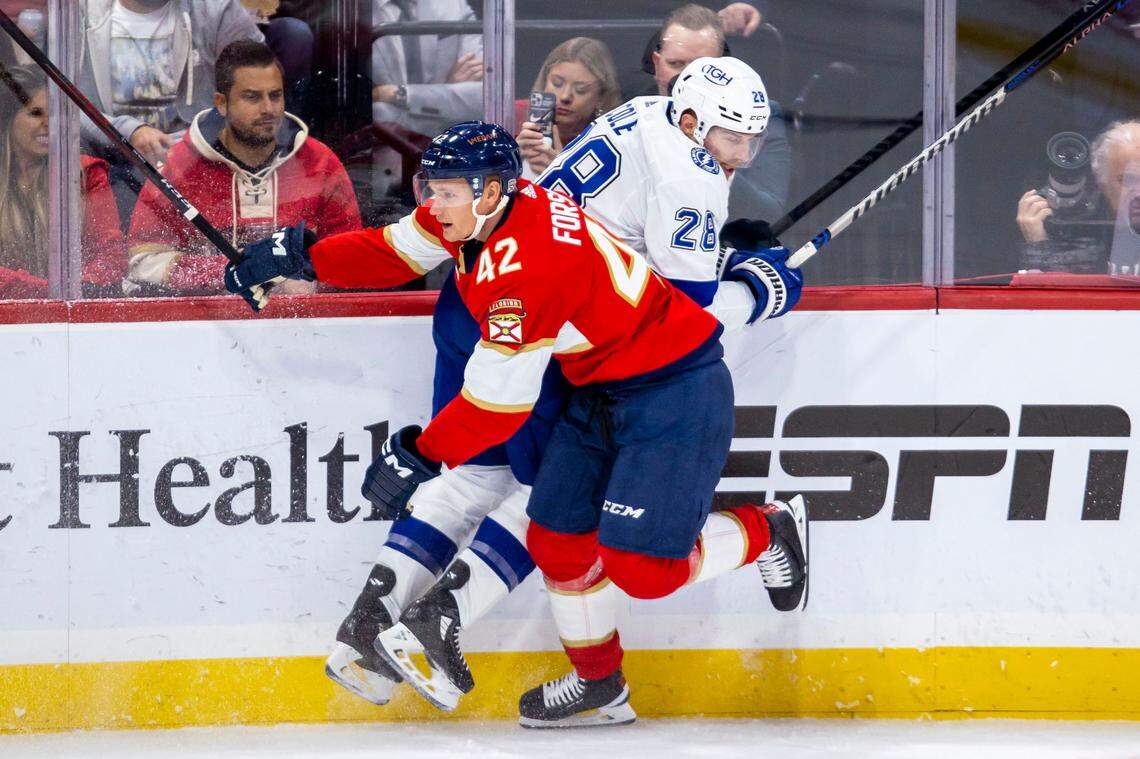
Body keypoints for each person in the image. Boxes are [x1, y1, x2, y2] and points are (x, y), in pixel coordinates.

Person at [223, 119, 806, 727]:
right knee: (554, 539)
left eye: (447, 193)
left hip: (675, 392)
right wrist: (305, 256)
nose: (433, 205)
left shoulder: (529, 271)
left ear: (492, 191)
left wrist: (423, 452)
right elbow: (393, 250)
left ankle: (771, 529)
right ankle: (601, 685)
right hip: (598, 392)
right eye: (432, 189)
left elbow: (498, 406)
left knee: (642, 570)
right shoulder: (487, 209)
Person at [126, 40, 360, 295]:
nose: (268, 109)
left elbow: (353, 259)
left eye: (275, 95)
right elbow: (142, 263)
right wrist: (229, 272)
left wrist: (307, 278)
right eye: (252, 97)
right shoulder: (179, 167)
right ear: (221, 103)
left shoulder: (319, 163)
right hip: (208, 318)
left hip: (305, 319)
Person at [640, 3, 790, 224]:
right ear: (657, 63)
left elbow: (768, 212)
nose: (686, 78)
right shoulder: (633, 109)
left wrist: (714, 156)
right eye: (675, 64)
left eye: (701, 66)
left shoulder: (760, 115)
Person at [78, 0, 264, 167]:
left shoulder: (218, 11)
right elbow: (64, 107)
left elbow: (260, 89)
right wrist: (128, 131)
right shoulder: (78, 13)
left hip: (200, 162)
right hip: (106, 166)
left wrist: (193, 143)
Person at [0, 66, 125, 299]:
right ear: (8, 119)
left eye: (55, 114)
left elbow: (110, 258)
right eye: (35, 113)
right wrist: (54, 291)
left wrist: (65, 295)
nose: (49, 123)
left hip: (74, 311)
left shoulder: (86, 174)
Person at [1015, 121, 1140, 275]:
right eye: (1128, 180)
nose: (1138, 193)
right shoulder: (1088, 237)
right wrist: (1038, 243)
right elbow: (1068, 289)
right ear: (1103, 184)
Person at [370, 0, 484, 138]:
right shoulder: (352, 13)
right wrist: (445, 95)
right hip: (382, 145)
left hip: (453, 143)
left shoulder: (454, 5)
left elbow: (483, 98)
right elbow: (377, 115)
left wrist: (398, 95)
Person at [514, 37, 622, 180]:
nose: (565, 96)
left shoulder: (613, 143)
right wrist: (509, 159)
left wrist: (564, 176)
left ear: (601, 97)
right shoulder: (512, 116)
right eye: (557, 83)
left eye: (581, 89)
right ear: (545, 81)